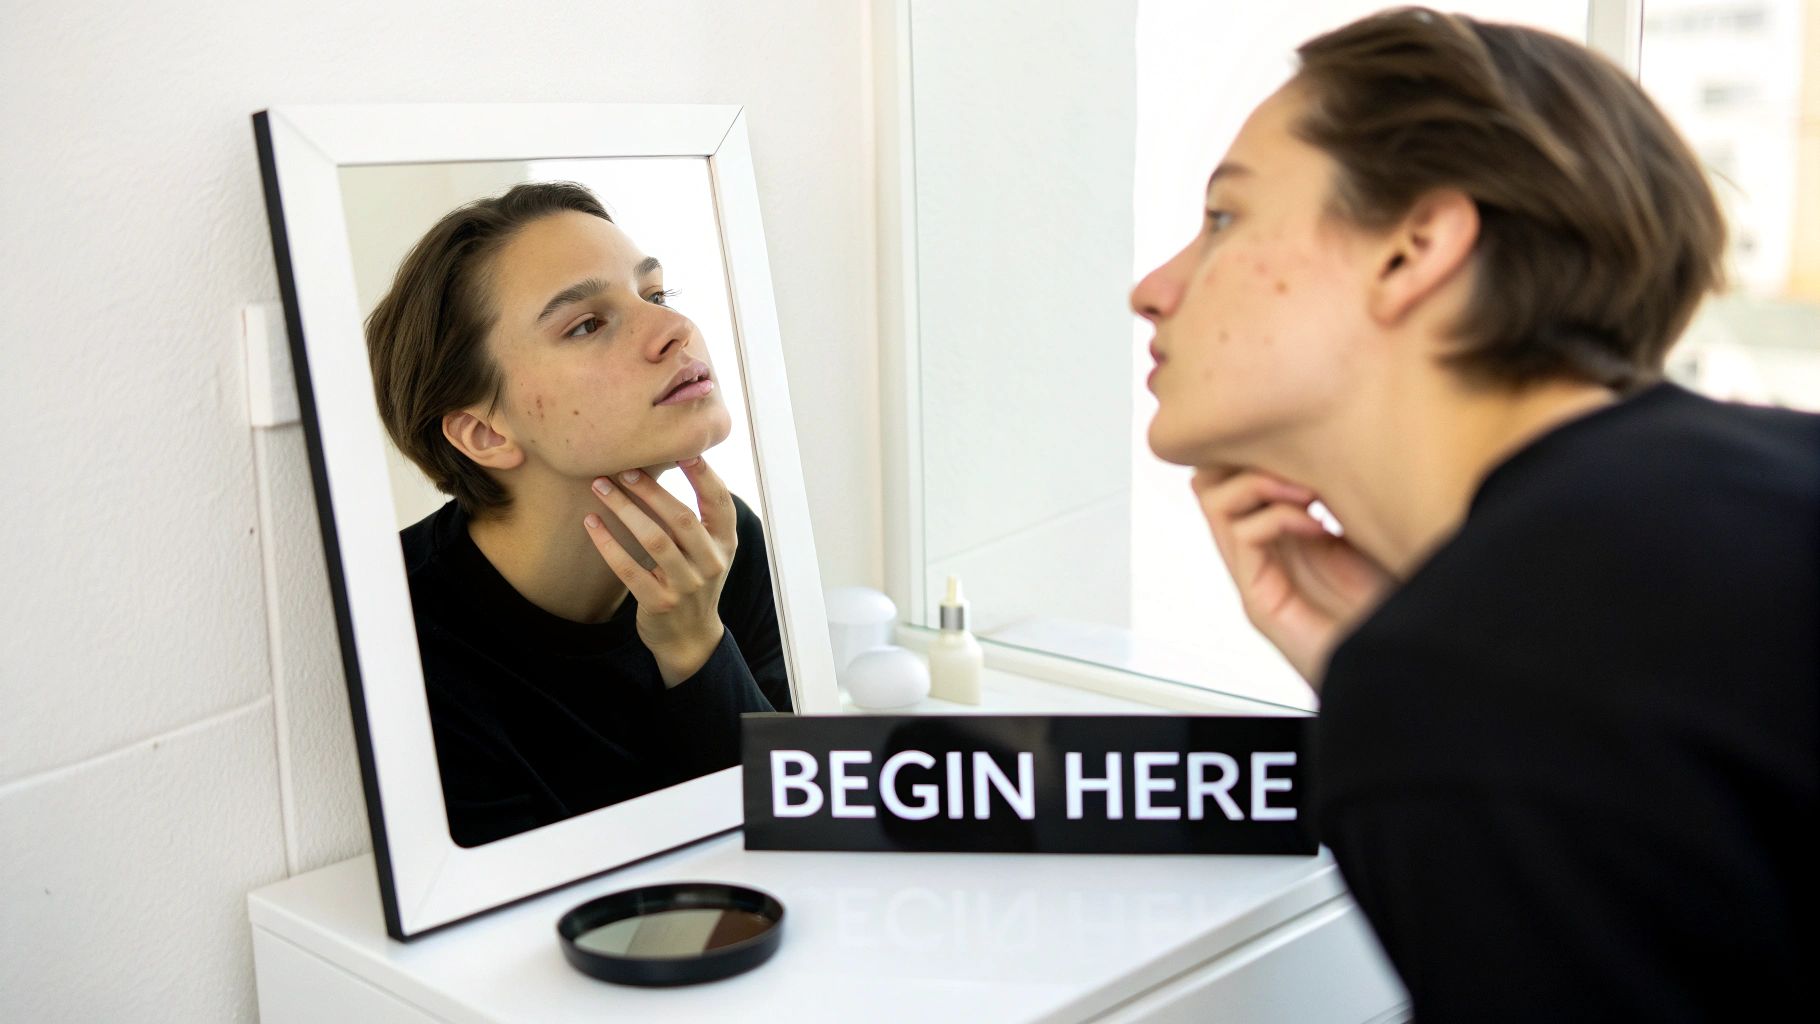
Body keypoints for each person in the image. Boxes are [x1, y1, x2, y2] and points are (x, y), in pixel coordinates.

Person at [1131, 8, 1816, 1020]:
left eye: (1224, 219)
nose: (1152, 290)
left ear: (1412, 250)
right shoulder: (1767, 472)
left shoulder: (1475, 675)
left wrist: (1413, 696)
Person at [365, 181, 791, 848]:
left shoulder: (720, 550)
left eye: (655, 295)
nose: (674, 330)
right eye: (587, 324)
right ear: (485, 433)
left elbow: (793, 826)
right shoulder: (396, 630)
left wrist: (696, 645)